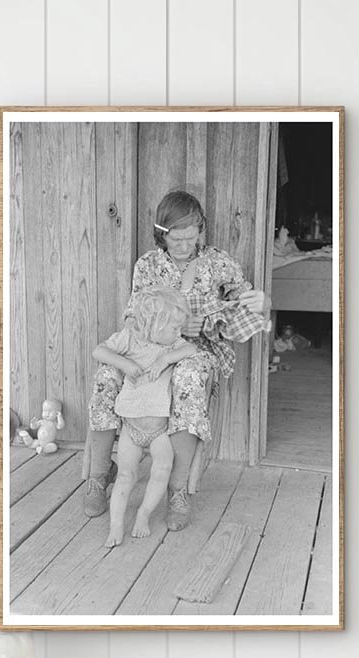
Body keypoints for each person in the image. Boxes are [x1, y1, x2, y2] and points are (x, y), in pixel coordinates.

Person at [84, 189, 270, 531]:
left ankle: (177, 490)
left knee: (186, 379)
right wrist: (162, 333)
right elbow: (132, 318)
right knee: (107, 375)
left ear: (200, 230)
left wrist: (257, 301)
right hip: (149, 346)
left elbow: (243, 300)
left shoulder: (218, 263)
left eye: (191, 237)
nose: (184, 246)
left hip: (196, 349)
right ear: (161, 233)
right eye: (176, 239)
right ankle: (98, 476)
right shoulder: (149, 265)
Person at [91, 287, 197, 547]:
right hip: (131, 429)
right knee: (127, 476)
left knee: (161, 470)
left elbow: (191, 349)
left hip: (159, 431)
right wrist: (124, 364)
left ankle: (144, 514)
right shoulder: (129, 339)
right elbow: (99, 351)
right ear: (154, 324)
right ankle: (116, 525)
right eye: (173, 328)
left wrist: (167, 360)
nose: (178, 333)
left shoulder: (172, 344)